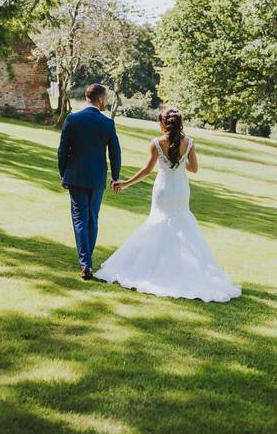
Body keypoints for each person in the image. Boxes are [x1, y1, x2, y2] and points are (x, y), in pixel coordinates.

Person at [96, 108, 241, 302]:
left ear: (163, 124)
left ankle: (152, 268)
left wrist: (125, 183)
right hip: (181, 190)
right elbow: (195, 169)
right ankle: (185, 270)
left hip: (163, 189)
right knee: (183, 226)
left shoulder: (156, 143)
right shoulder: (189, 143)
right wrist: (180, 162)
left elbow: (147, 170)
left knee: (157, 224)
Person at [57, 84, 122, 280]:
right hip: (96, 178)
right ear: (100, 99)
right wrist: (115, 176)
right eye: (106, 98)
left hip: (75, 177)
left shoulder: (73, 119)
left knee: (79, 219)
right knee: (92, 218)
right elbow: (115, 153)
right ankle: (87, 262)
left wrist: (63, 173)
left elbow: (62, 150)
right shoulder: (107, 123)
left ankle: (85, 263)